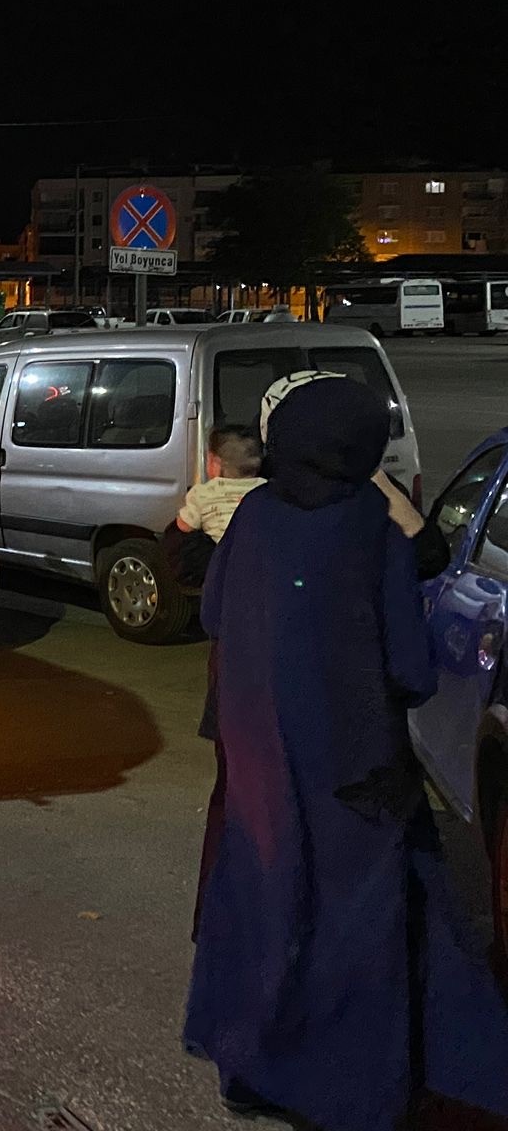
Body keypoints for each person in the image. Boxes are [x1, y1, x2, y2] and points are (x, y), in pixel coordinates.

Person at [184, 375, 508, 1129]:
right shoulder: (368, 522)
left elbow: (214, 613)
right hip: (353, 767)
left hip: (260, 759)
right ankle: (354, 1092)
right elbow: (409, 666)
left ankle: (249, 1068)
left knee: (263, 905)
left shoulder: (255, 514)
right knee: (356, 927)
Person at [174, 425, 264, 541]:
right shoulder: (264, 488)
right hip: (256, 550)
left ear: (215, 463)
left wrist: (180, 517)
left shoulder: (202, 493)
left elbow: (185, 526)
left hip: (220, 552)